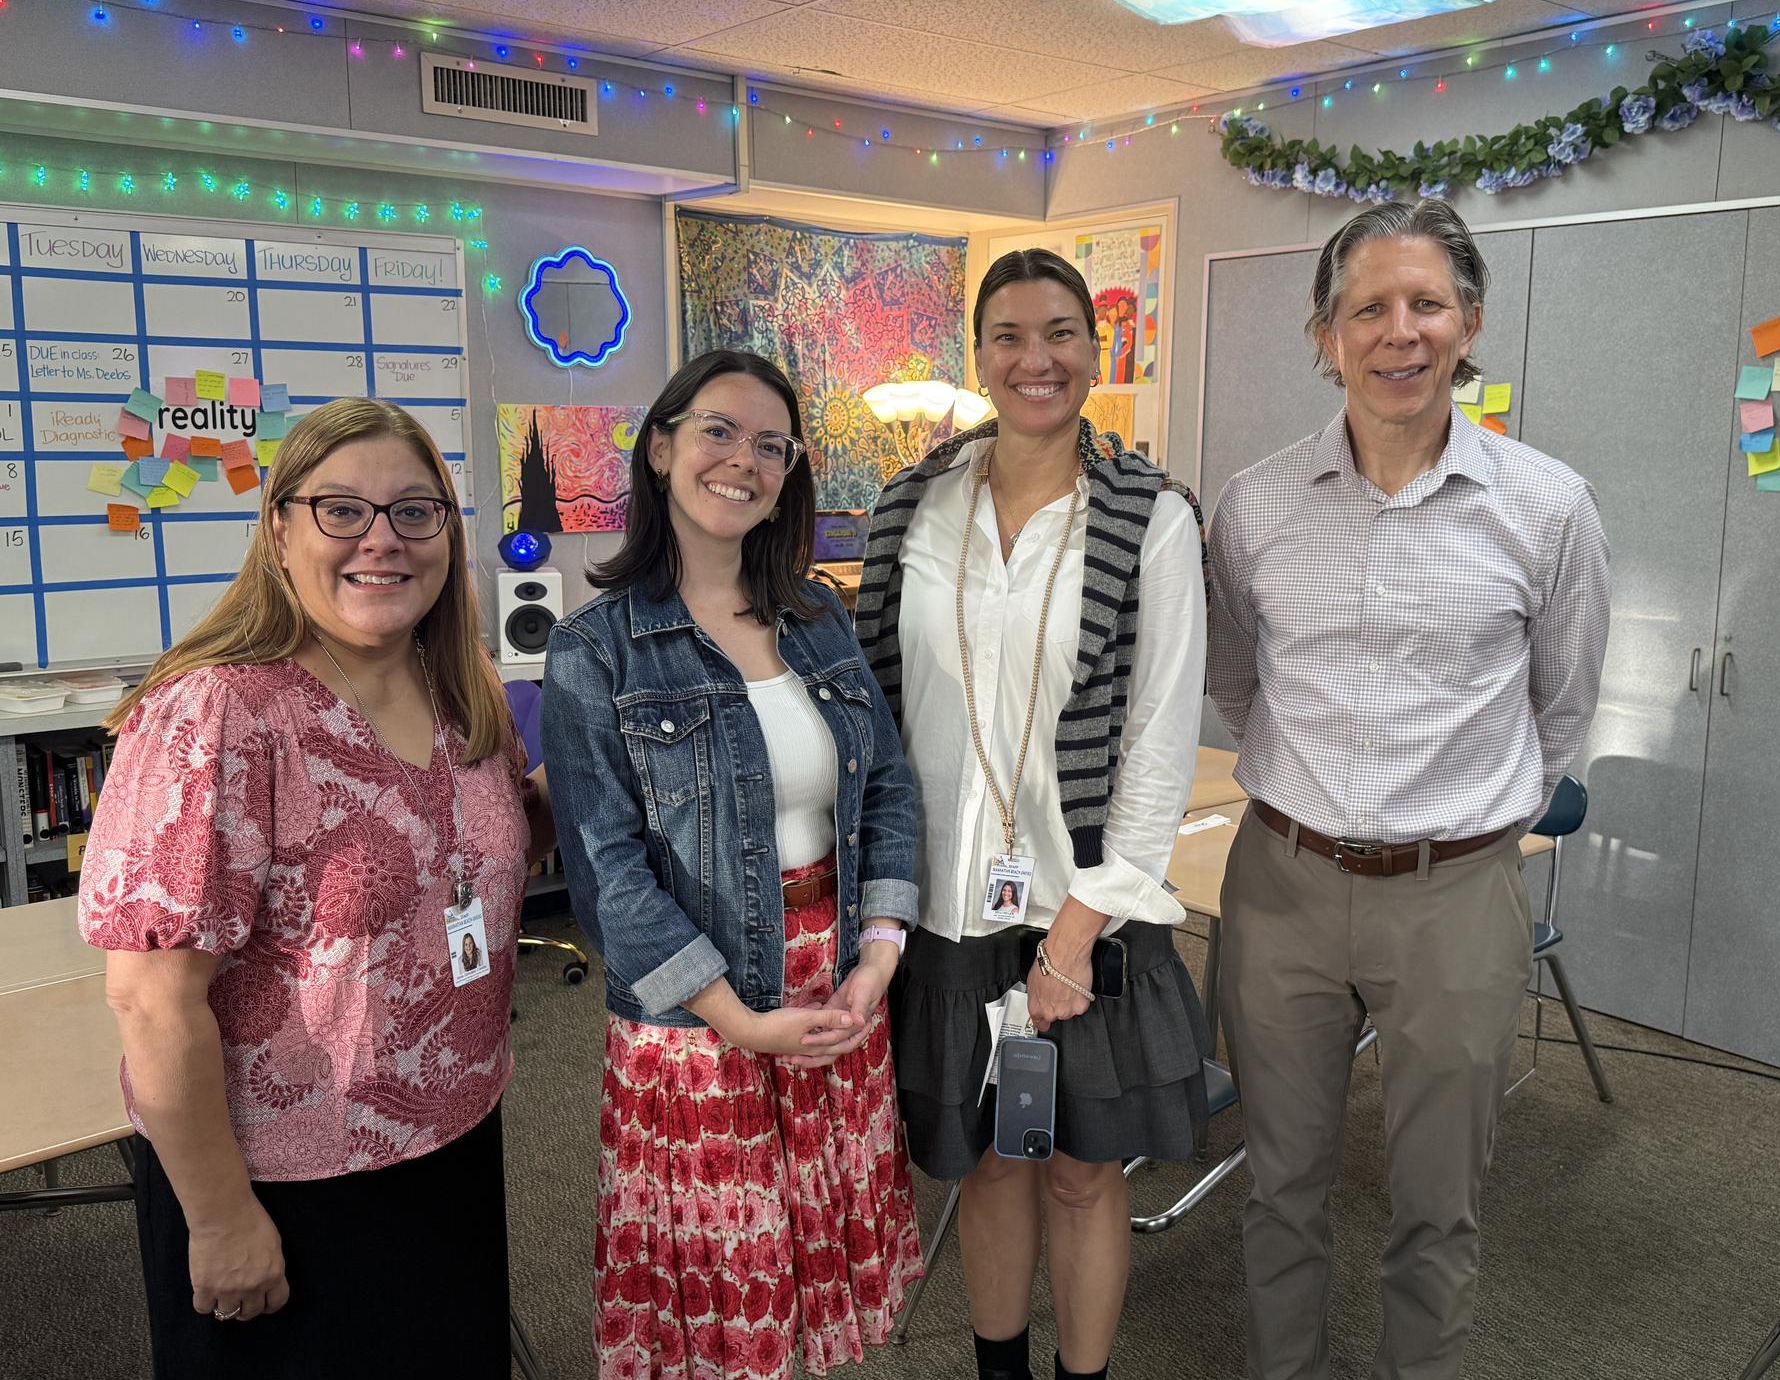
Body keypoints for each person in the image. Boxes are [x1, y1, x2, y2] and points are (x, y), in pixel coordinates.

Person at [1207, 198, 1611, 1380]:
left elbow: (1564, 708)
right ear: (1324, 336)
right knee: (1279, 1184)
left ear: (1469, 322)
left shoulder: (1547, 506)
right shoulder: (1257, 505)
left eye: (1426, 304)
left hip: (1457, 895)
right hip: (1280, 884)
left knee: (1439, 1203)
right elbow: (1241, 683)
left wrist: (1463, 819)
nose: (1400, 332)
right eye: (1368, 308)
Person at [77, 397, 550, 1379]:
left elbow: (491, 850)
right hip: (283, 1186)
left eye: (415, 512)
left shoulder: (459, 686)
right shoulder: (218, 713)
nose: (382, 540)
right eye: (342, 510)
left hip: (455, 1142)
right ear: (280, 529)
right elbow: (151, 999)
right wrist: (219, 1217)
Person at [856, 249, 1209, 1380]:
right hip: (952, 902)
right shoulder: (917, 504)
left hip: (1084, 907)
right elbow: (879, 701)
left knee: (1080, 1169)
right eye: (1007, 336)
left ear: (1096, 354)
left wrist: (1075, 933)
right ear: (979, 357)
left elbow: (1159, 740)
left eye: (1060, 333)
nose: (1035, 358)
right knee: (985, 1165)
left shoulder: (1150, 519)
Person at [541, 349, 924, 1380]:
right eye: (718, 431)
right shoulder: (598, 649)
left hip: (838, 986)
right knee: (722, 1296)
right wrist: (740, 1021)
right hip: (701, 1019)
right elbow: (605, 871)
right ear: (661, 447)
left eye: (771, 445)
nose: (742, 461)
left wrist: (878, 959)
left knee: (818, 1276)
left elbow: (885, 788)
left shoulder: (819, 620)